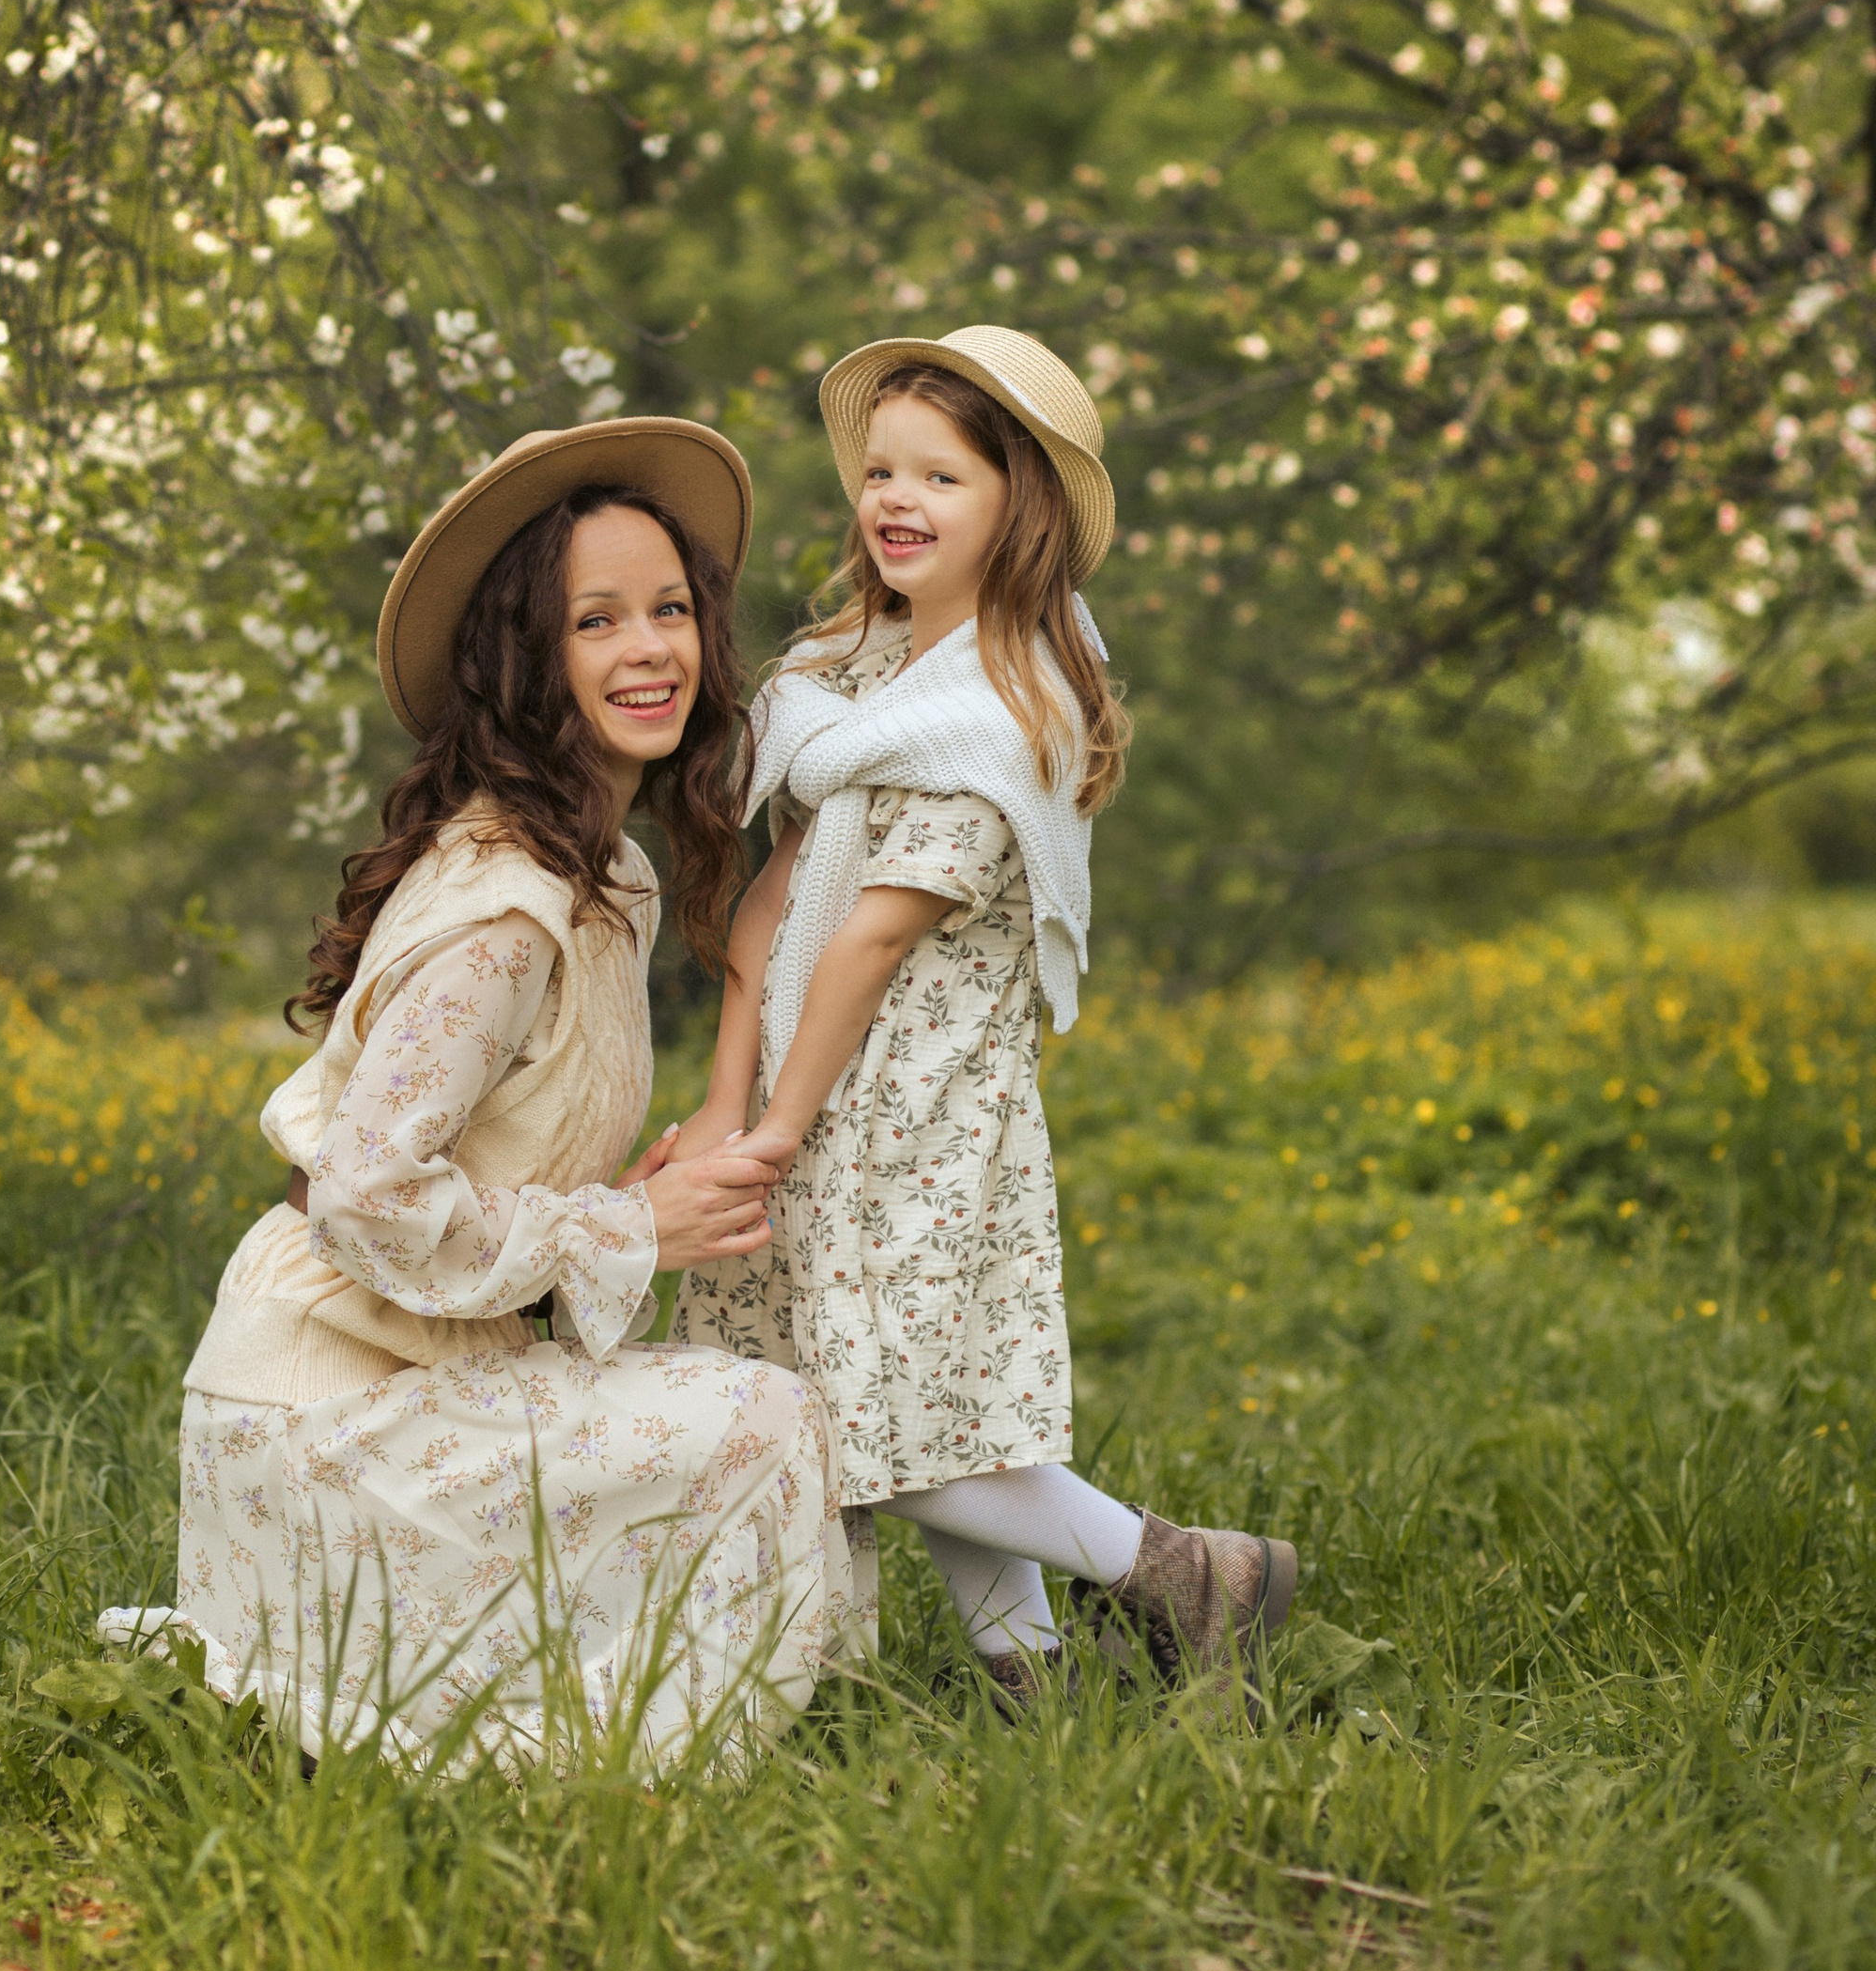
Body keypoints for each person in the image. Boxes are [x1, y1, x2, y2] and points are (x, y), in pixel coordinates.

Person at [102, 418, 862, 1764]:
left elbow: (479, 1163)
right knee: (766, 1414)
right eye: (598, 621)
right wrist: (633, 1234)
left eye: (672, 610)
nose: (652, 651)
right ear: (530, 660)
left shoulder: (602, 875)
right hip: (329, 1422)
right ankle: (626, 1766)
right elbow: (362, 1192)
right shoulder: (508, 905)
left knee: (750, 1391)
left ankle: (612, 1714)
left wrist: (617, 1198)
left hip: (420, 1378)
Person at [671, 326, 1295, 1709]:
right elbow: (775, 907)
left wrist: (777, 1121)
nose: (896, 499)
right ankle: (1033, 1678)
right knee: (894, 1399)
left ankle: (1185, 1570)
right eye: (881, 470)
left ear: (1021, 507)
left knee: (903, 1421)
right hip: (809, 1082)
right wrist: (728, 1096)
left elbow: (875, 934)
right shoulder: (845, 674)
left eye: (941, 477)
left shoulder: (1004, 706)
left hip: (917, 1108)